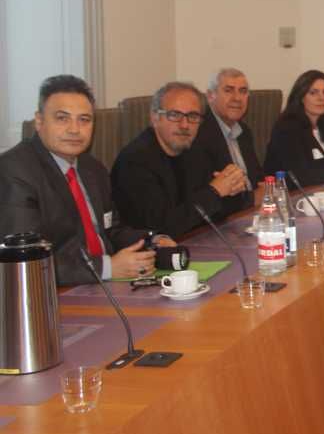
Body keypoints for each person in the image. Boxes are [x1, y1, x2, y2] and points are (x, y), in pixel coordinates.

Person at [0, 75, 169, 285]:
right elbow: (24, 260)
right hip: (54, 294)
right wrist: (107, 268)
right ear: (39, 121)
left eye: (84, 120)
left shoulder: (93, 168)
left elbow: (109, 231)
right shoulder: (15, 170)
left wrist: (152, 239)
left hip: (106, 285)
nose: (74, 129)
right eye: (62, 118)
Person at [112, 81, 249, 238]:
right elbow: (162, 227)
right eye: (175, 115)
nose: (185, 125)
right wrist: (215, 191)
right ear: (155, 118)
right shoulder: (135, 161)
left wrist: (232, 188)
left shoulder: (193, 151)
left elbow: (214, 213)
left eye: (192, 116)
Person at [264, 70, 324, 187]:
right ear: (301, 97)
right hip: (292, 195)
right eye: (313, 93)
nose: (321, 98)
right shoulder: (287, 128)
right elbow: (299, 177)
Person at [192, 68, 263, 213]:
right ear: (210, 96)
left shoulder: (244, 131)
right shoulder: (198, 133)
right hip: (221, 220)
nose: (237, 98)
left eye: (243, 91)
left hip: (253, 214)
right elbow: (208, 198)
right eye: (228, 90)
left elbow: (256, 179)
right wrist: (252, 199)